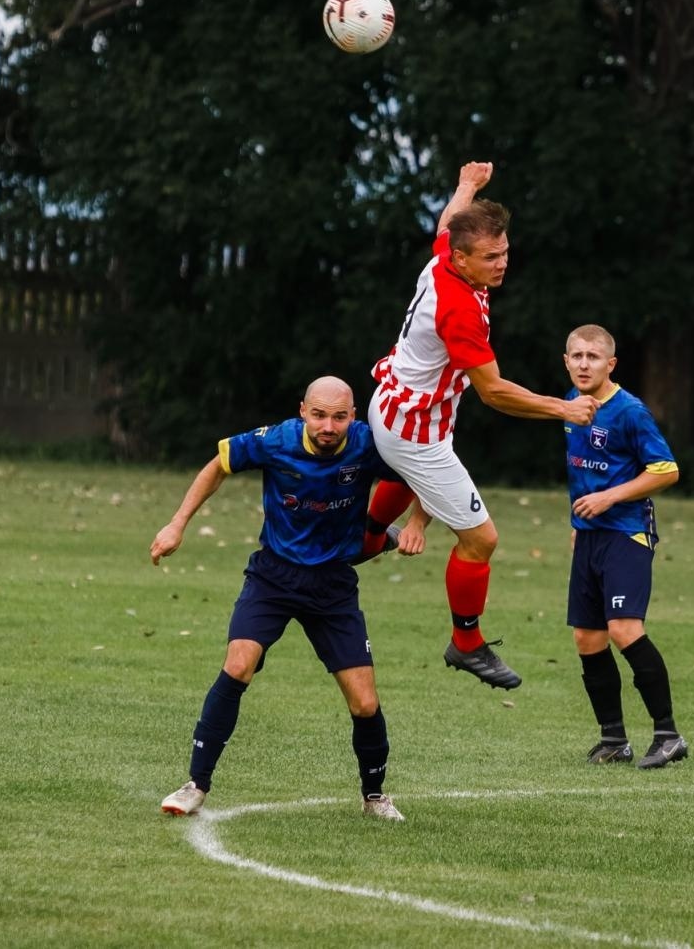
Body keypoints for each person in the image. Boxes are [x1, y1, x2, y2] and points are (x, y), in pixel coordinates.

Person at [358, 161, 599, 691]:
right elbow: (493, 391)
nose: (502, 263)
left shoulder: (449, 256)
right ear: (464, 259)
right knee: (481, 540)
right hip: (415, 431)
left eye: (506, 251)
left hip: (393, 403)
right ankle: (465, 642)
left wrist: (468, 186)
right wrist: (564, 408)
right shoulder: (459, 310)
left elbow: (448, 223)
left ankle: (370, 537)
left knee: (400, 477)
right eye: (491, 257)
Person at [150, 376, 421, 820]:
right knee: (238, 666)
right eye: (318, 415)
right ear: (302, 411)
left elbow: (423, 469)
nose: (328, 426)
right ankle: (195, 785)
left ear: (353, 416)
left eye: (338, 416)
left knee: (364, 702)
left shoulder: (370, 445)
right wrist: (177, 523)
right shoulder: (275, 441)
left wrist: (417, 524)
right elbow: (217, 465)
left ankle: (374, 795)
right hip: (273, 576)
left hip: (333, 585)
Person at [559, 324, 688, 769]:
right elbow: (581, 471)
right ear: (566, 361)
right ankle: (613, 738)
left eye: (593, 357)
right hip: (590, 535)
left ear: (610, 364)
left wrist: (610, 497)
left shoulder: (630, 411)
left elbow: (666, 470)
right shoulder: (570, 406)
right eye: (576, 356)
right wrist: (578, 521)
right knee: (587, 638)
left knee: (623, 629)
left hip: (627, 532)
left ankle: (668, 734)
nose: (583, 363)